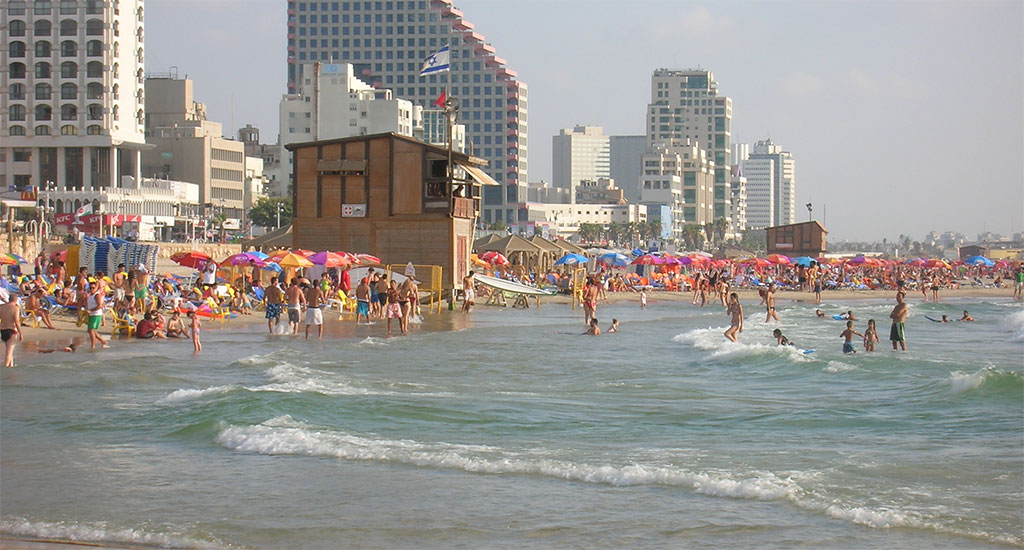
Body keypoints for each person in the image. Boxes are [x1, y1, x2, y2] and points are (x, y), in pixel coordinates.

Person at [0, 290, 23, 367]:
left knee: (10, 351)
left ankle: (11, 366)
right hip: (11, 330)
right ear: (16, 300)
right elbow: (16, 322)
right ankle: (6, 368)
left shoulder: (2, 307)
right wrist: (21, 333)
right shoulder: (15, 308)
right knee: (9, 352)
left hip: (3, 329)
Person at [85, 282, 108, 350]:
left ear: (96, 288)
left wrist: (90, 310)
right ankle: (102, 341)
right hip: (91, 314)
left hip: (96, 314)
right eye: (90, 288)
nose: (91, 289)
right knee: (90, 330)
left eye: (93, 288)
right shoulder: (90, 295)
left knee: (91, 330)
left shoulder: (97, 295)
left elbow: (99, 306)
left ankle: (93, 346)